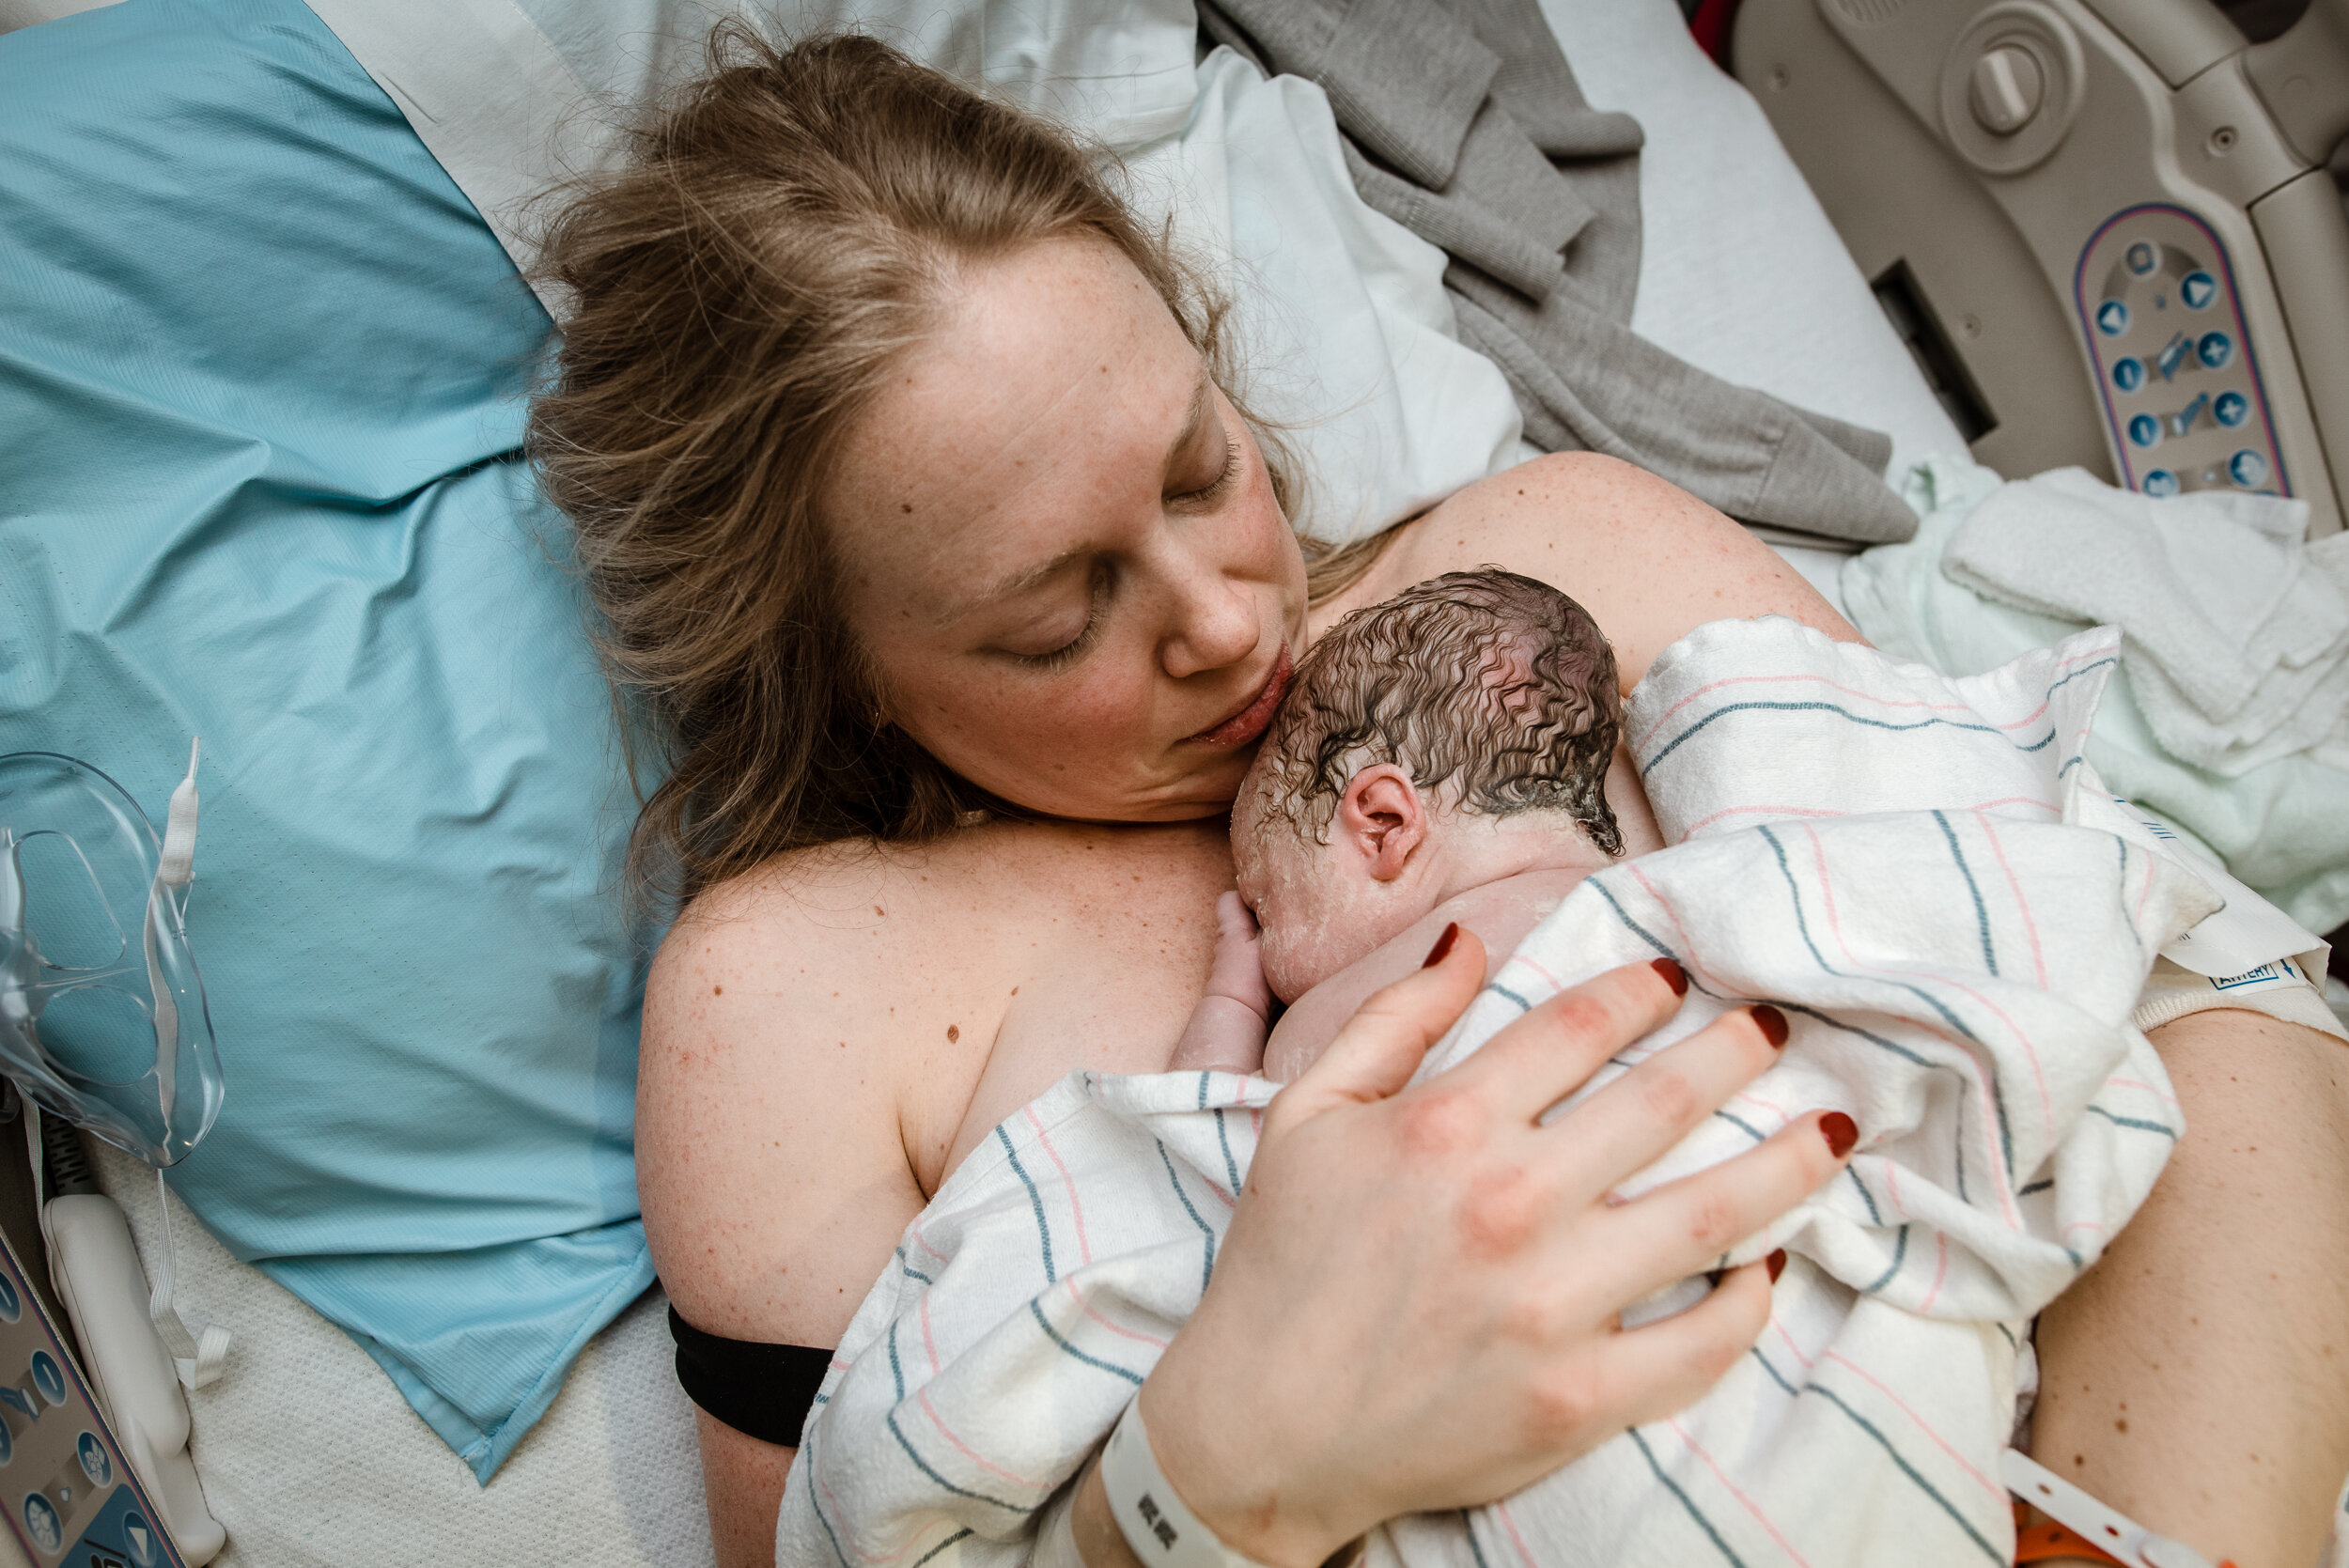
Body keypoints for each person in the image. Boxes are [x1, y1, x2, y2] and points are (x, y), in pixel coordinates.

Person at [529, 32, 2349, 1568]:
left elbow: (2137, 978)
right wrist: (1201, 1486)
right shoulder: (794, 996)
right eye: (1058, 616)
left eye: (1199, 469)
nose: (1222, 618)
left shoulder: (1541, 581)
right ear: (840, 664)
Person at [1169, 568, 1647, 1080]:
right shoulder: (1658, 890)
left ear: (1382, 826)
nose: (1255, 939)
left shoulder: (1353, 1020)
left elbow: (1210, 1117)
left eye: (1263, 906)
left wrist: (1235, 1001)